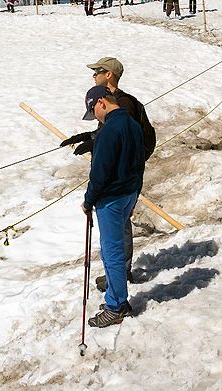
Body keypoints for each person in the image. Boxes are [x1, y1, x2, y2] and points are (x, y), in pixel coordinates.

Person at [61, 59, 156, 294]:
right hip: (123, 180)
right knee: (118, 229)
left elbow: (122, 140)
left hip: (121, 181)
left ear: (110, 75)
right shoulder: (111, 105)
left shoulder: (124, 104)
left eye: (98, 71)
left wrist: (98, 144)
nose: (94, 75)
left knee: (118, 231)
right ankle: (118, 275)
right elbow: (110, 131)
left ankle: (120, 274)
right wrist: (88, 137)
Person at [79, 85, 146, 327]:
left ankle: (116, 306)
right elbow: (140, 163)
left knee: (112, 253)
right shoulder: (132, 124)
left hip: (111, 199)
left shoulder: (109, 131)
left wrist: (88, 201)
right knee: (114, 250)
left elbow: (99, 174)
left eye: (92, 110)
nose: (94, 116)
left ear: (101, 103)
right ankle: (118, 299)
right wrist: (135, 193)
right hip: (128, 193)